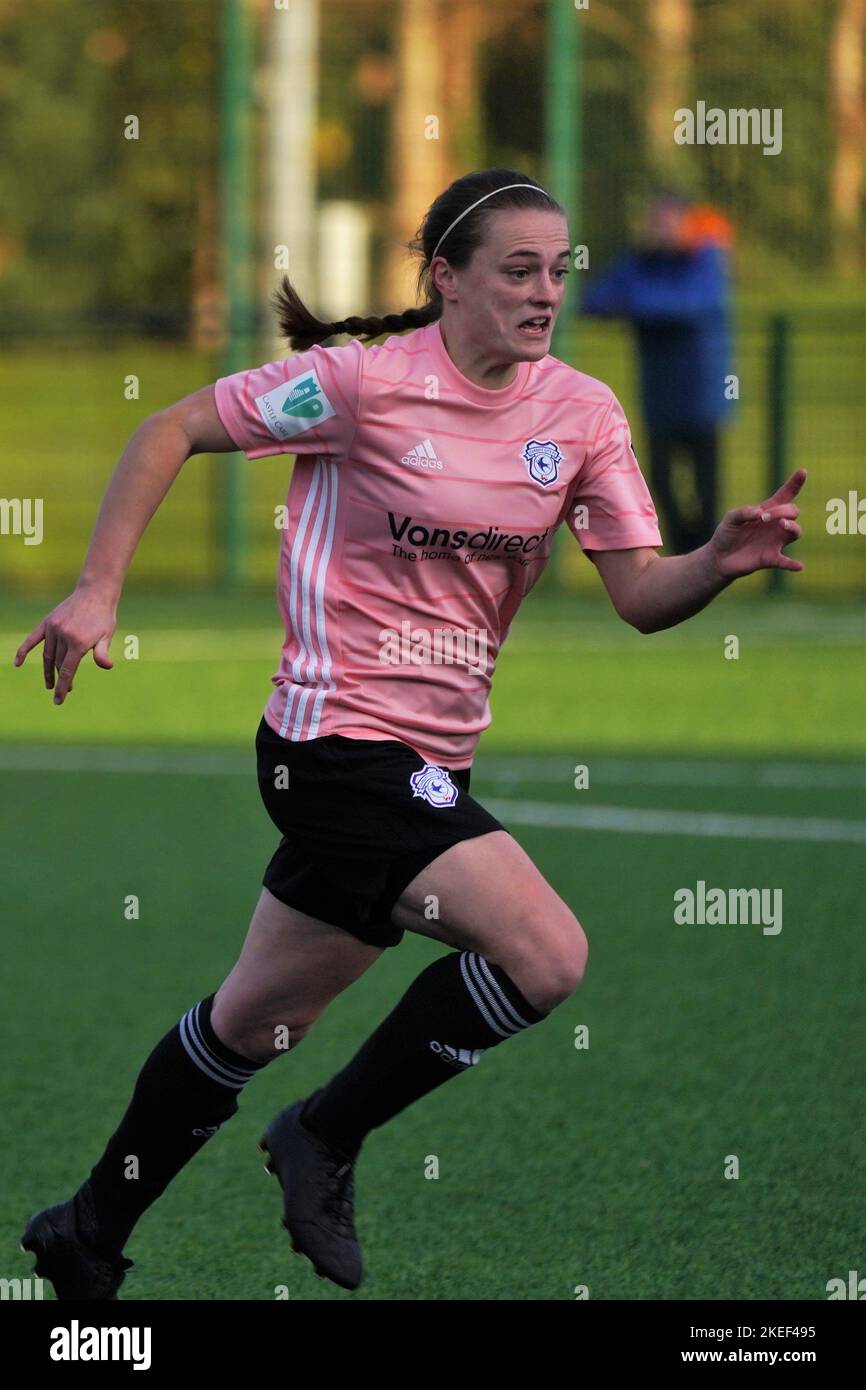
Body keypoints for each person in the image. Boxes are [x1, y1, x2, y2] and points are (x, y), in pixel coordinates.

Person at [15, 168, 805, 1300]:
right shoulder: (357, 385)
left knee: (255, 1019)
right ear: (446, 277)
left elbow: (637, 593)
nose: (545, 294)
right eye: (517, 270)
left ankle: (88, 1229)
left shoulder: (579, 415)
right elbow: (169, 429)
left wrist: (712, 566)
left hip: (428, 764)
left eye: (558, 271)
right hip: (329, 746)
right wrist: (96, 589)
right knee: (545, 953)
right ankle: (323, 1135)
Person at [582, 192, 735, 553]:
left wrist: (636, 302)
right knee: (661, 482)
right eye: (655, 222)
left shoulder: (705, 257)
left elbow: (695, 304)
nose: (660, 230)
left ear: (685, 222)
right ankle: (685, 554)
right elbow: (595, 299)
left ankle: (708, 555)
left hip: (702, 392)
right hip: (658, 395)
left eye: (667, 221)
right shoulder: (639, 262)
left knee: (705, 485)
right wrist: (646, 299)